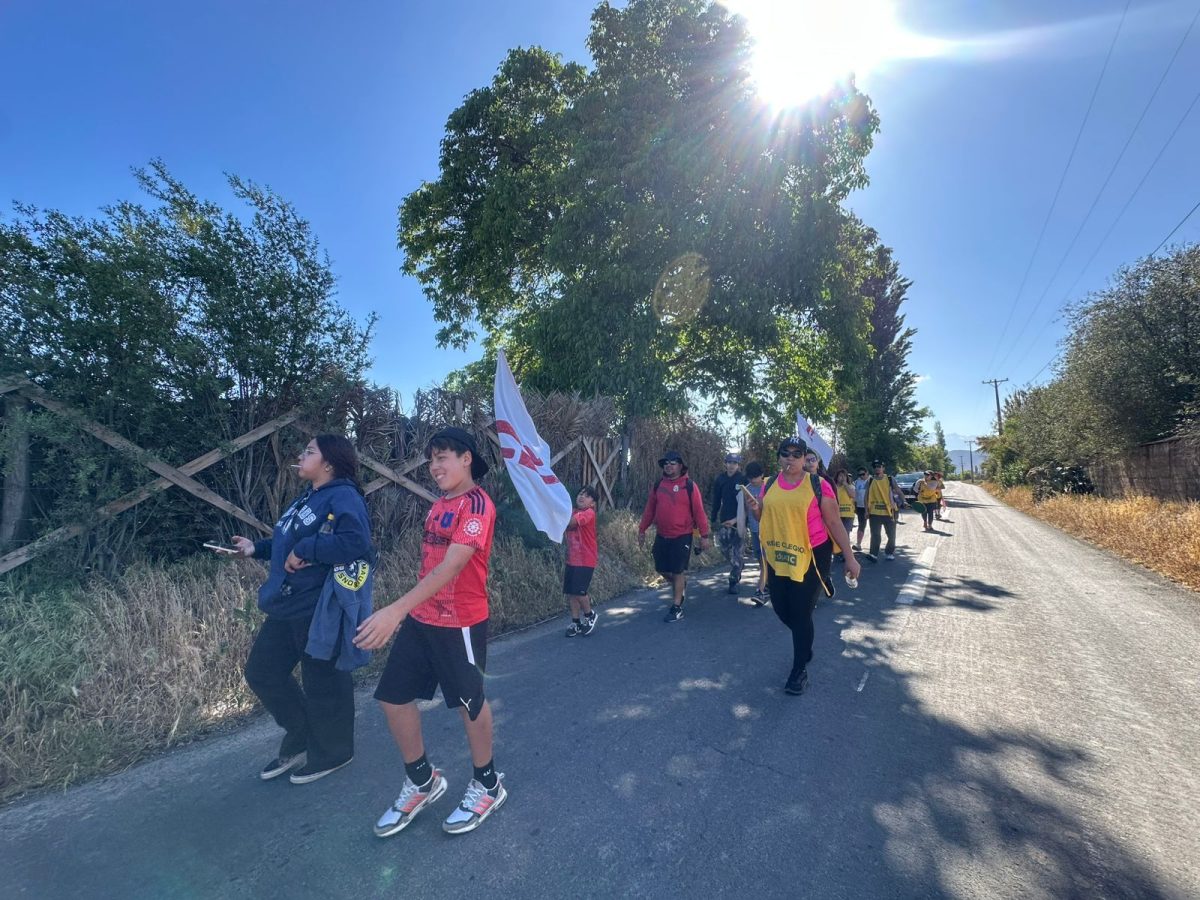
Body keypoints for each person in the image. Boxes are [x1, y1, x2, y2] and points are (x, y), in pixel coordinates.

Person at [354, 427, 506, 837]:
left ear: (466, 458)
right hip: (423, 620)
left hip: (461, 623)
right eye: (431, 459)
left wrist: (395, 610)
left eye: (443, 457)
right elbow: (430, 567)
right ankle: (423, 780)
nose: (434, 466)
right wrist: (408, 610)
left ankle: (488, 784)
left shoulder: (478, 505)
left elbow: (453, 566)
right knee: (392, 698)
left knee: (468, 705)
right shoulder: (439, 503)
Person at [229, 434, 371, 785]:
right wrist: (255, 549)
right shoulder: (309, 497)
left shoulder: (343, 495)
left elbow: (356, 542)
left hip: (316, 605)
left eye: (309, 451)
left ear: (328, 463)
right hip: (285, 602)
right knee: (262, 672)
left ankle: (335, 750)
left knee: (324, 681)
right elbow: (287, 540)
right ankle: (303, 734)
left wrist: (308, 547)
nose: (301, 456)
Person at [745, 437, 861, 695]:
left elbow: (833, 523)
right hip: (779, 554)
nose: (791, 458)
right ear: (779, 457)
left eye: (797, 454)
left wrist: (850, 557)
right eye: (785, 453)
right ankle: (804, 640)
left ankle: (799, 671)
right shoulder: (770, 484)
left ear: (804, 458)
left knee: (800, 613)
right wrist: (755, 509)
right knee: (780, 608)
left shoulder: (818, 485)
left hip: (812, 556)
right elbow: (764, 516)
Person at [638, 450, 711, 622]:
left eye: (672, 463)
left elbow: (699, 512)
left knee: (678, 570)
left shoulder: (689, 486)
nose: (668, 465)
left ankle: (677, 607)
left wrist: (704, 535)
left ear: (680, 466)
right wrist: (642, 529)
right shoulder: (658, 485)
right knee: (661, 568)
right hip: (662, 534)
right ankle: (680, 584)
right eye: (666, 463)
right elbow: (649, 509)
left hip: (682, 535)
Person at [710, 452, 749, 595]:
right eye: (729, 462)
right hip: (723, 520)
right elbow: (716, 500)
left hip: (739, 521)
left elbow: (747, 504)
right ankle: (738, 565)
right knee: (724, 549)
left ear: (738, 465)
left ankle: (733, 581)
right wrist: (713, 519)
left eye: (734, 463)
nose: (731, 465)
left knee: (737, 552)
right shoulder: (720, 479)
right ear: (725, 463)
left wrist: (738, 520)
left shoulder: (743, 479)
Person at [564, 486, 600, 637]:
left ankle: (590, 615)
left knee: (579, 592)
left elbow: (571, 523)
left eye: (586, 496)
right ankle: (575, 622)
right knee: (571, 592)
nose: (581, 497)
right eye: (580, 493)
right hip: (571, 559)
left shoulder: (589, 513)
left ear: (592, 503)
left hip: (585, 559)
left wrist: (559, 520)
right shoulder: (572, 511)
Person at [741, 461, 769, 605]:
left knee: (765, 559)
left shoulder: (769, 487)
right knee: (760, 557)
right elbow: (745, 510)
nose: (753, 480)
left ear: (762, 475)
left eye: (755, 477)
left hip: (768, 529)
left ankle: (761, 590)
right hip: (754, 528)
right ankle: (767, 581)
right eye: (750, 477)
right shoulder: (747, 489)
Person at [866, 460, 903, 560]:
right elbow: (866, 496)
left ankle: (889, 552)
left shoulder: (890, 479)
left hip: (890, 512)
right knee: (875, 535)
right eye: (875, 467)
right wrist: (866, 510)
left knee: (891, 535)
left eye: (879, 466)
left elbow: (898, 491)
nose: (877, 468)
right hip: (874, 513)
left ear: (883, 468)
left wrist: (904, 501)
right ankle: (873, 554)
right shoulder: (870, 480)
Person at [833, 469, 856, 560]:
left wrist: (845, 484)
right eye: (840, 476)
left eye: (844, 476)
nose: (842, 477)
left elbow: (853, 495)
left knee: (845, 534)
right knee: (837, 534)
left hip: (848, 514)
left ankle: (846, 553)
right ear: (837, 477)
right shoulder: (833, 487)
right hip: (836, 514)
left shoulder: (850, 486)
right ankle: (838, 553)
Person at [852, 466, 870, 551]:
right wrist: (854, 506)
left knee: (875, 527)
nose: (861, 476)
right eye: (859, 474)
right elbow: (854, 495)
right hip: (860, 507)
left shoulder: (872, 480)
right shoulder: (856, 482)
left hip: (872, 507)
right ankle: (858, 544)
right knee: (861, 525)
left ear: (867, 473)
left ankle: (875, 546)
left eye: (863, 474)